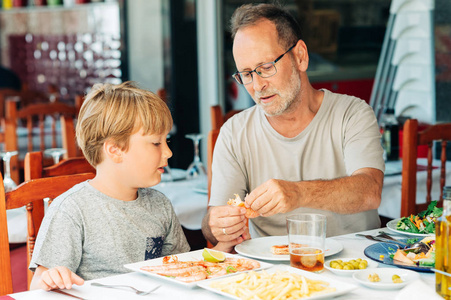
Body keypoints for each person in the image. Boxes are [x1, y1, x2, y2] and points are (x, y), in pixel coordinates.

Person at [202, 3, 385, 250]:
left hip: (356, 265)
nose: (257, 85)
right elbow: (214, 224)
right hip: (273, 274)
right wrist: (216, 224)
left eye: (266, 68)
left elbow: (370, 191)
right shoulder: (234, 133)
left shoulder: (352, 113)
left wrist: (298, 194)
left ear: (300, 56)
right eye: (246, 74)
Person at [29, 82, 191, 290]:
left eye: (166, 141)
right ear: (115, 150)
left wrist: (223, 247)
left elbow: (184, 270)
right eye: (156, 143)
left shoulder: (160, 205)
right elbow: (38, 288)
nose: (168, 152)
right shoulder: (71, 211)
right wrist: (50, 279)